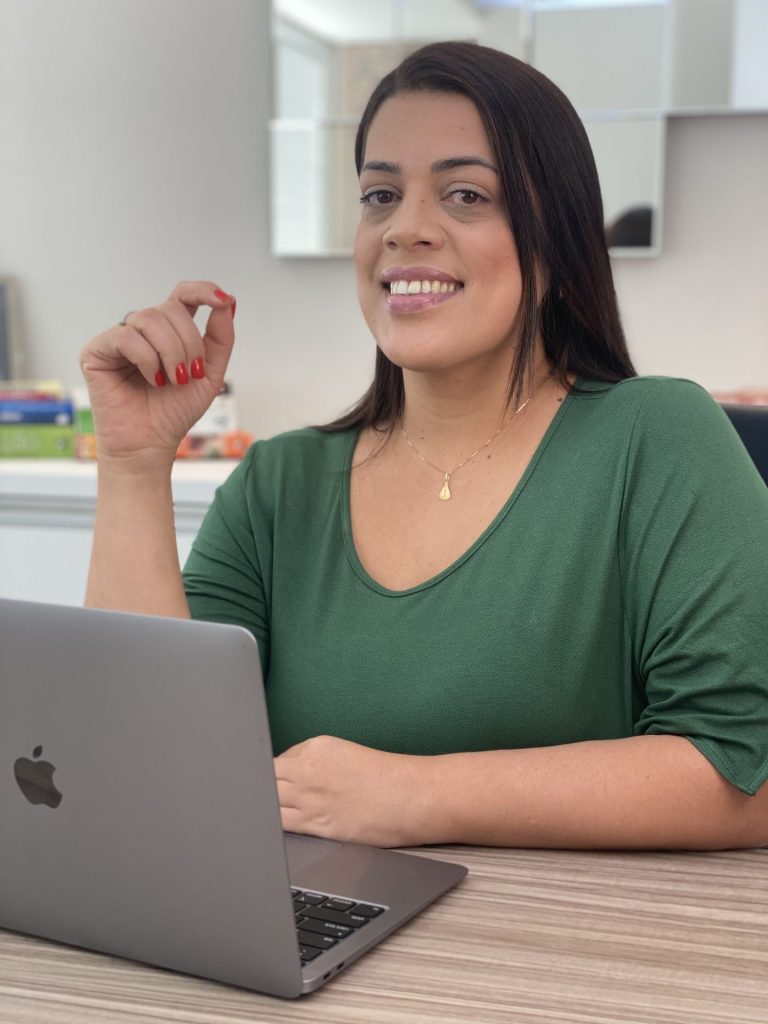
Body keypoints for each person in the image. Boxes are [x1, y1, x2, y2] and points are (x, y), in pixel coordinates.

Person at [79, 42, 768, 851]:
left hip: (563, 960)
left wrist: (419, 794)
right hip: (311, 945)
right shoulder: (280, 483)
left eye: (465, 194)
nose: (405, 229)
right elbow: (149, 759)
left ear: (554, 235)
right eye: (379, 195)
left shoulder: (659, 439)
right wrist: (133, 464)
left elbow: (740, 774)